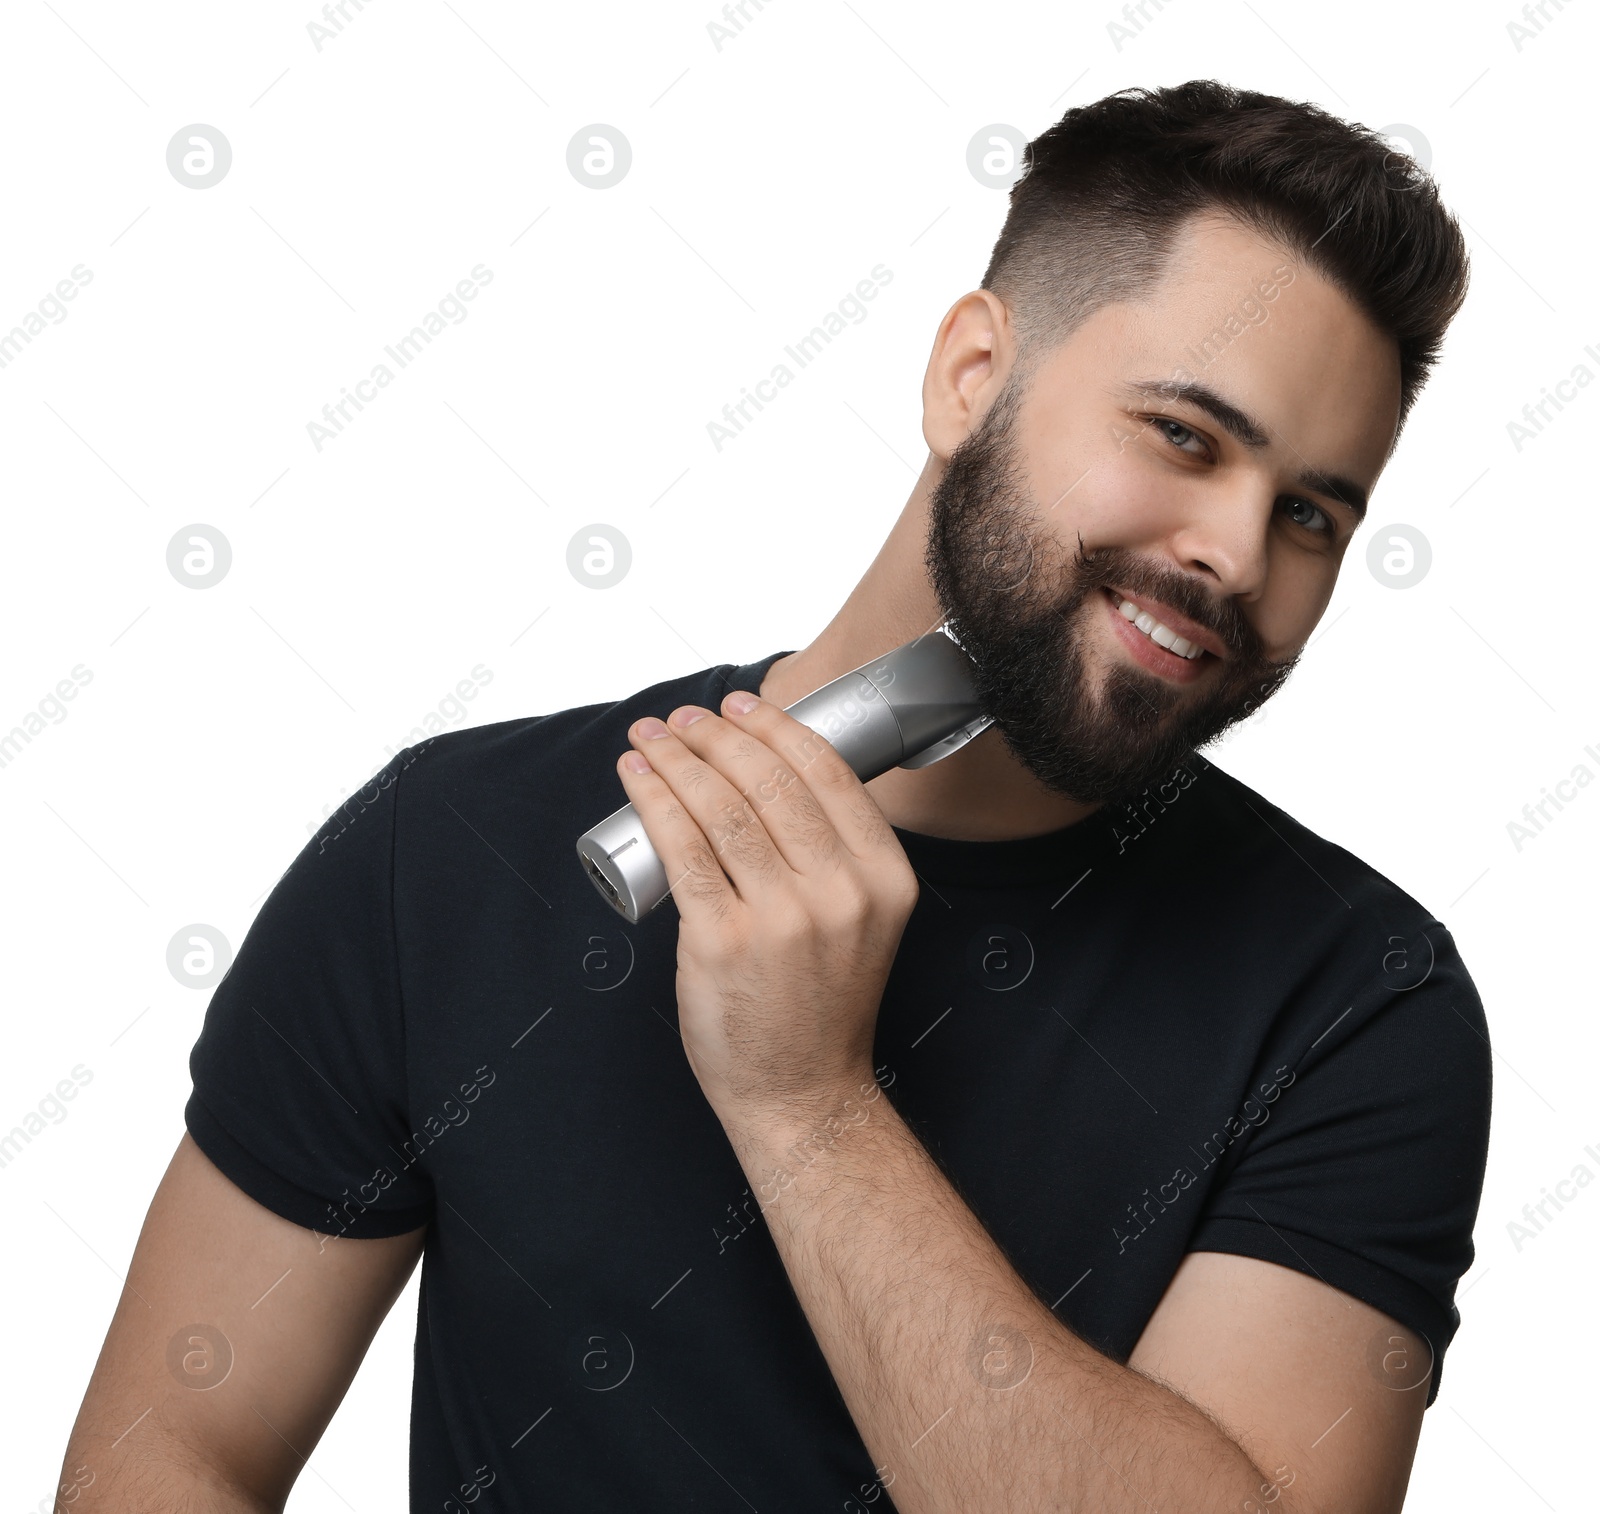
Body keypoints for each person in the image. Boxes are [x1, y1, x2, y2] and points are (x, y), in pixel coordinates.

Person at [56, 80, 1490, 1512]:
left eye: (1311, 512)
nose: (1239, 553)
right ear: (970, 376)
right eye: (1185, 435)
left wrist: (810, 1103)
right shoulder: (450, 853)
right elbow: (172, 1455)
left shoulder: (1360, 1006)